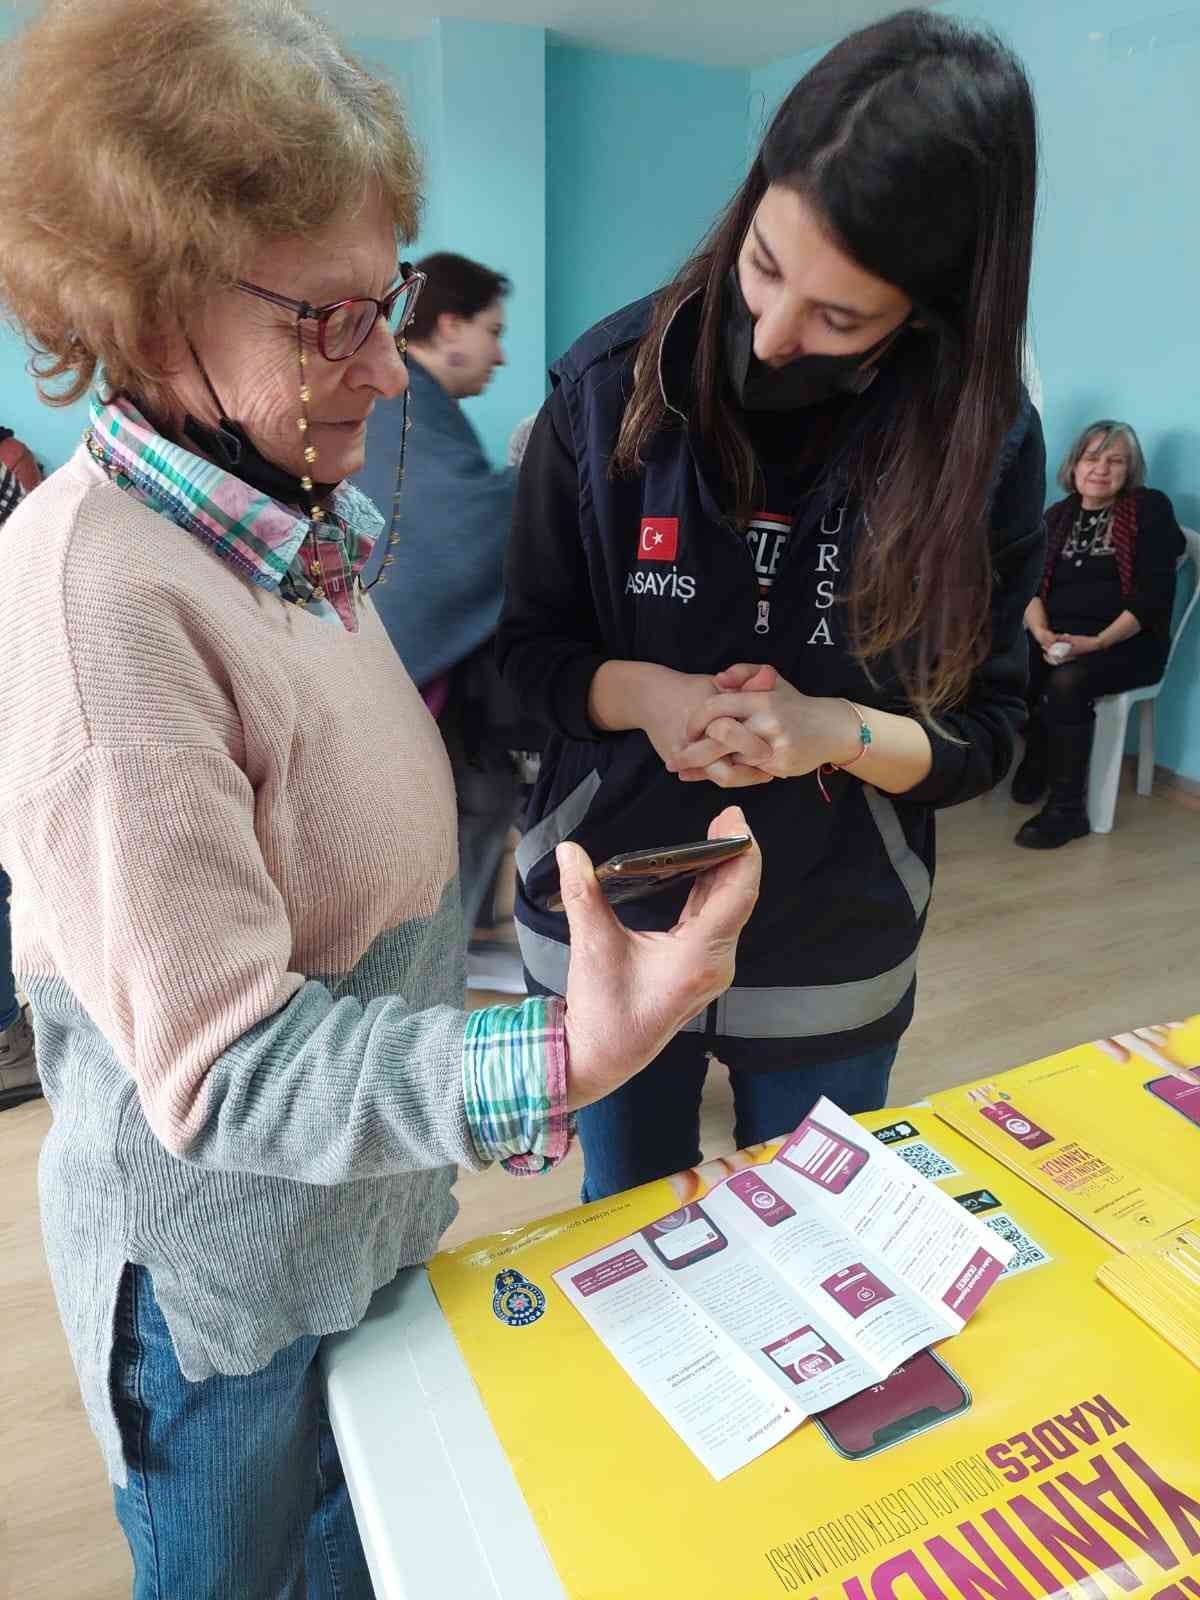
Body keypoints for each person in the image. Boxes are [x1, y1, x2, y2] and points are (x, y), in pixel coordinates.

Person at [0, 3, 760, 1593]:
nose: (382, 367)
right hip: (227, 1300)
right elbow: (232, 1071)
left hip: (362, 1233)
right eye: (322, 320)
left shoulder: (285, 517)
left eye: (388, 303)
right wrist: (565, 1053)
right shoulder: (101, 609)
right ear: (143, 315)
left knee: (369, 1557)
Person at [499, 8, 1047, 1202]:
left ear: (934, 313)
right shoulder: (607, 389)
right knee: (631, 1233)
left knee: (816, 1241)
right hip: (618, 918)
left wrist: (832, 732)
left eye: (841, 317)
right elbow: (526, 660)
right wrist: (650, 696)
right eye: (762, 264)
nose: (774, 336)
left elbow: (989, 733)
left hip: (833, 943)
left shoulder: (982, 446)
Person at [356, 253, 535, 957]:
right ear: (450, 326)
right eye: (492, 330)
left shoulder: (418, 409)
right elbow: (451, 540)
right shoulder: (398, 404)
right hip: (397, 709)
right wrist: (543, 478)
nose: (499, 352)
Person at [1011, 420, 1184, 848]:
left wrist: (1099, 642)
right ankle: (1039, 748)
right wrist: (1041, 632)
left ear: (1130, 470)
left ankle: (1068, 810)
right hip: (1059, 636)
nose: (1101, 469)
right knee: (1006, 658)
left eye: (1115, 460)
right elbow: (1028, 588)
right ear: (1074, 466)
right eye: (1092, 458)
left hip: (1127, 644)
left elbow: (1152, 598)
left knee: (1069, 681)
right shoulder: (1058, 514)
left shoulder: (1149, 508)